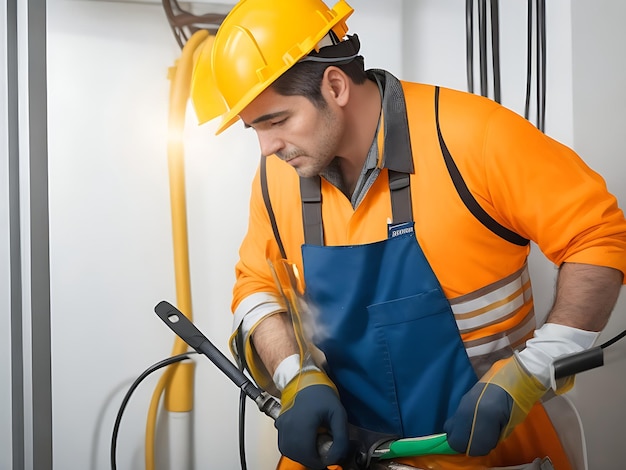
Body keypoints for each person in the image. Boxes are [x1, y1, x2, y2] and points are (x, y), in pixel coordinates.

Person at [190, 0, 626, 469]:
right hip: (346, 454)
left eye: (276, 121)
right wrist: (296, 375)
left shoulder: (472, 137)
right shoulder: (277, 179)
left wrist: (531, 371)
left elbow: (598, 236)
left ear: (335, 85)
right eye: (254, 128)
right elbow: (256, 287)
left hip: (491, 453)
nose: (267, 146)